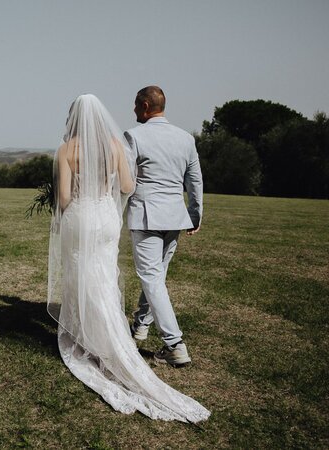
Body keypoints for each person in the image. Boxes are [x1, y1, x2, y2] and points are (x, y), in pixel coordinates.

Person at [47, 94, 209, 423]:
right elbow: (126, 184)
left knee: (84, 276)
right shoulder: (115, 143)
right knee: (104, 278)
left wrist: (75, 204)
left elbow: (64, 196)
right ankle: (116, 335)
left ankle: (92, 337)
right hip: (108, 219)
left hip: (82, 216)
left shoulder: (67, 149)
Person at [125, 86, 204, 367]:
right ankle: (140, 327)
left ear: (146, 106)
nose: (133, 110)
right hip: (175, 217)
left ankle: (174, 344)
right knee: (155, 277)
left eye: (135, 105)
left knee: (153, 279)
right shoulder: (185, 138)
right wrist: (195, 214)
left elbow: (124, 181)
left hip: (146, 216)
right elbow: (194, 180)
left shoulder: (133, 136)